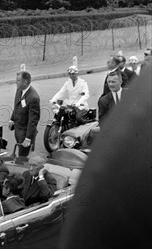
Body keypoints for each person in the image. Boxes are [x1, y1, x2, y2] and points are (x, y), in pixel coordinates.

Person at [59, 57, 152, 249]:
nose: (111, 84)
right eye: (108, 82)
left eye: (114, 81)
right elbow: (102, 122)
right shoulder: (104, 100)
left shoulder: (132, 96)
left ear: (120, 81)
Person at [9, 70, 40, 159]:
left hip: (25, 133)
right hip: (18, 130)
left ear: (25, 82)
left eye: (18, 80)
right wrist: (12, 118)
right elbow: (17, 105)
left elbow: (33, 120)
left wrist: (28, 138)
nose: (16, 82)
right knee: (21, 155)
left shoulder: (33, 97)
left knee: (23, 158)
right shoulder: (19, 90)